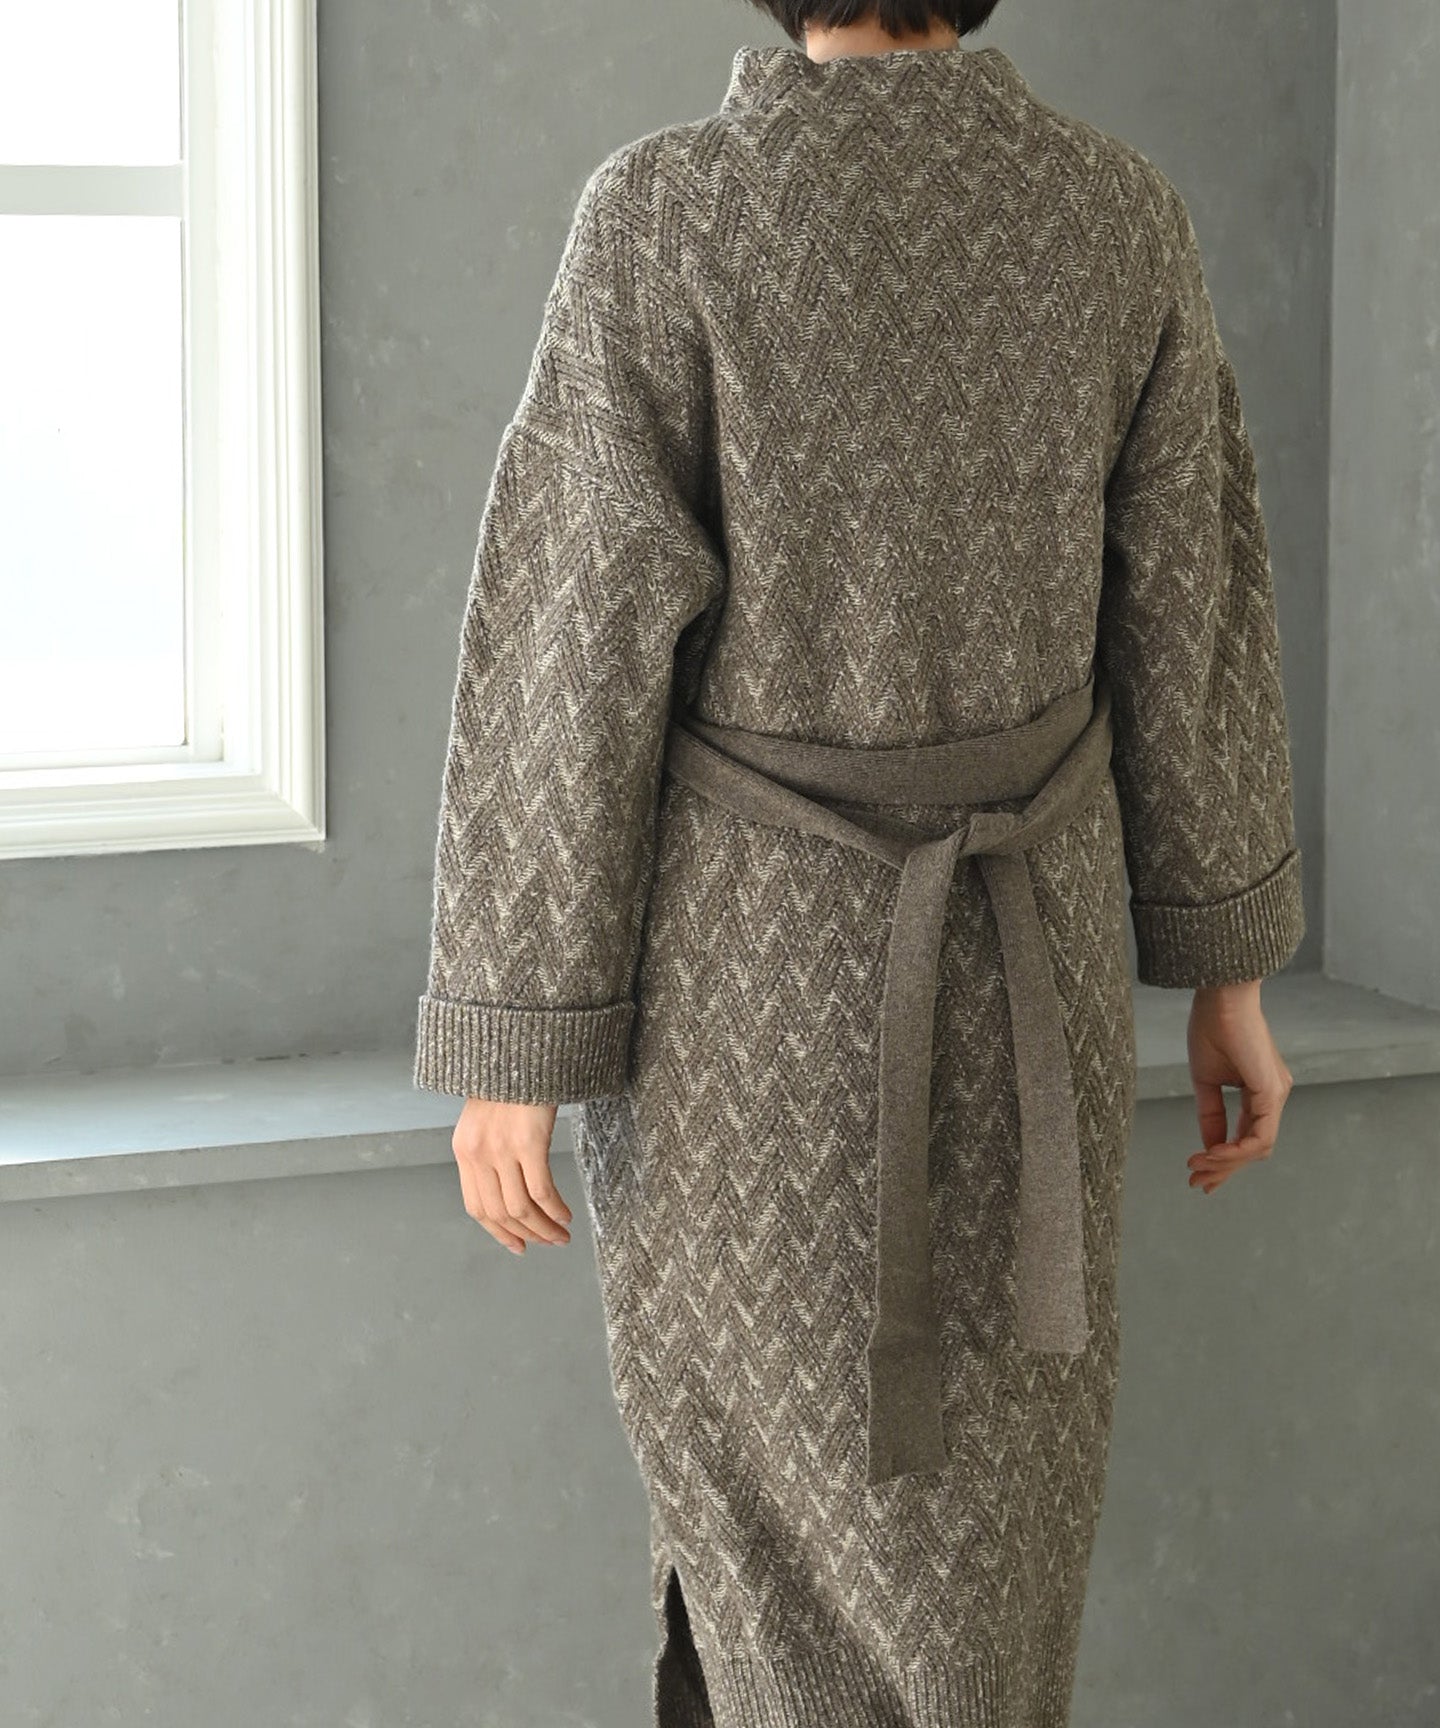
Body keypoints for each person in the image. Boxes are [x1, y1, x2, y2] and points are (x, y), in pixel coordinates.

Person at [413, 3, 1306, 1723]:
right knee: (993, 1563)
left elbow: (576, 639)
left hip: (746, 1011)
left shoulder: (667, 210)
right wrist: (1229, 978)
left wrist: (515, 1049)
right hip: (1032, 973)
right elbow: (1189, 611)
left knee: (758, 1553)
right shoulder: (1118, 213)